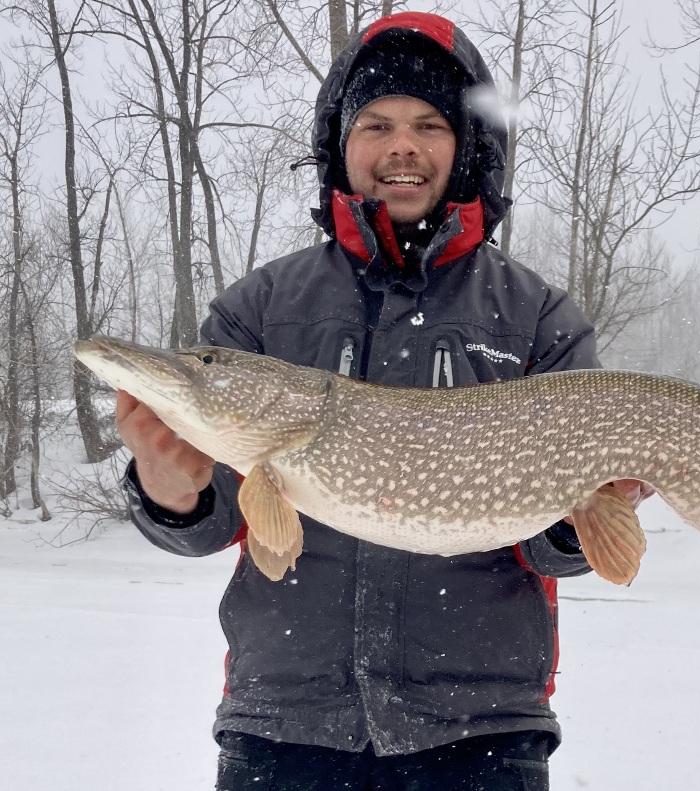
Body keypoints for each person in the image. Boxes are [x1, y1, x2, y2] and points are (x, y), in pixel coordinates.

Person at [117, 11, 650, 790]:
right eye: (376, 122)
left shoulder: (537, 316)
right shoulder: (260, 311)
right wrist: (172, 494)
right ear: (342, 144)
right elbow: (224, 523)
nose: (402, 145)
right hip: (285, 729)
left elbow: (553, 549)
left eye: (429, 123)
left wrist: (597, 510)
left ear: (467, 147)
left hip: (482, 735)